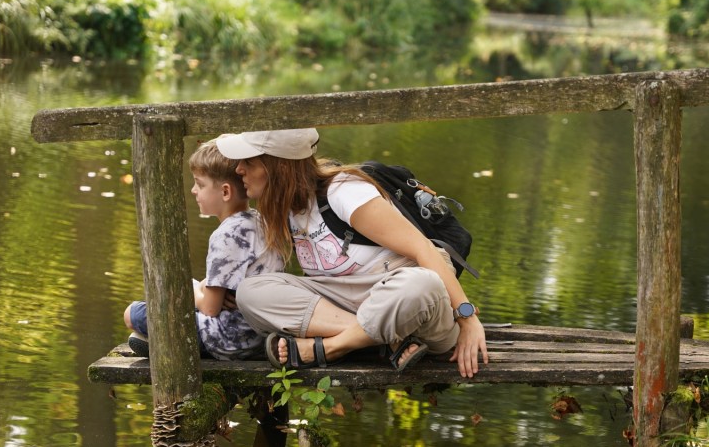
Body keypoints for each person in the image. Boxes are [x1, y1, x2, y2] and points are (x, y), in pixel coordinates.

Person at [214, 128, 488, 378]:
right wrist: (214, 287)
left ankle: (331, 347)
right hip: (349, 302)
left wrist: (468, 319)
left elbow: (423, 249)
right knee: (251, 291)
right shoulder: (286, 207)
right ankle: (386, 340)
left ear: (281, 166)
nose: (239, 170)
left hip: (409, 304)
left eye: (248, 162)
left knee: (420, 284)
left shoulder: (344, 191)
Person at [123, 137, 284, 360]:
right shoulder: (260, 221)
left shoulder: (226, 235)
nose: (193, 190)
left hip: (229, 339)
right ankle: (155, 342)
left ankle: (167, 345)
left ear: (225, 192)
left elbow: (209, 308)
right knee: (187, 295)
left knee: (133, 313)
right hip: (259, 336)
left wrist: (192, 291)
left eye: (200, 184)